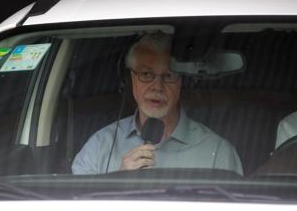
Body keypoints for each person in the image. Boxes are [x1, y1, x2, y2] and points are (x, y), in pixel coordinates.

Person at [72, 33, 243, 175]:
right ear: (130, 80)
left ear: (182, 82)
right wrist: (118, 182)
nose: (157, 87)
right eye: (146, 74)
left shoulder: (218, 152)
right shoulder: (99, 146)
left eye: (168, 76)